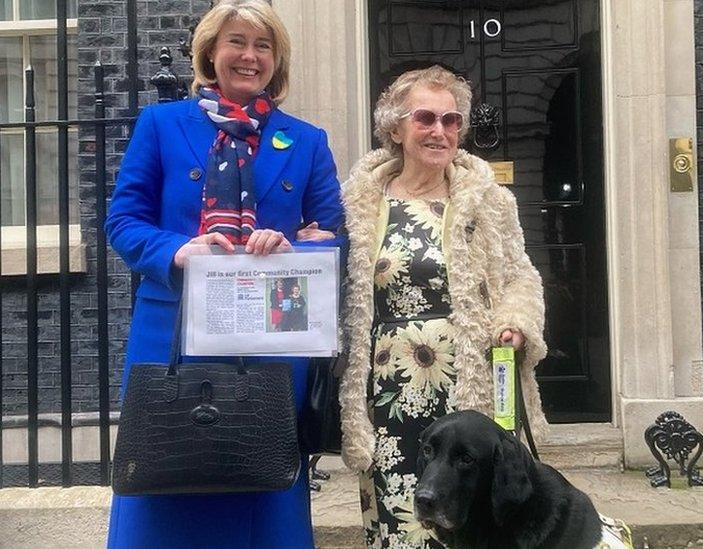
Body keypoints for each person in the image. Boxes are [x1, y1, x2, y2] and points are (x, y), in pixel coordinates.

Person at [104, 1, 342, 547]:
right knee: (167, 482)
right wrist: (176, 251)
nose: (249, 56)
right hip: (173, 337)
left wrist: (296, 243)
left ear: (276, 60)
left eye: (263, 46)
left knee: (264, 489)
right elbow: (122, 219)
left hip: (272, 341)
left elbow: (330, 232)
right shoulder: (161, 124)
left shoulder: (306, 139)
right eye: (236, 42)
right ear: (210, 52)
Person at [332, 65, 547, 548]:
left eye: (451, 121)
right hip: (390, 394)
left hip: (468, 383)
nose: (440, 131)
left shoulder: (490, 201)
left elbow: (520, 277)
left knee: (474, 523)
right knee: (401, 521)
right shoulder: (357, 203)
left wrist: (514, 322)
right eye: (425, 118)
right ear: (395, 128)